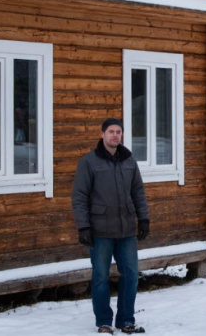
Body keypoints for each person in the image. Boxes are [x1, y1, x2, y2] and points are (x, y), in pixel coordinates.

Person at [72, 118, 150, 334]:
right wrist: (83, 227)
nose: (115, 135)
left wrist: (144, 219)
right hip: (100, 232)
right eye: (111, 131)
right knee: (100, 278)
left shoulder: (129, 160)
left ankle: (126, 320)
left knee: (131, 276)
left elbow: (138, 191)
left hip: (126, 231)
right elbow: (79, 196)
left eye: (118, 132)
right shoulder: (89, 162)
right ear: (102, 134)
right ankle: (104, 322)